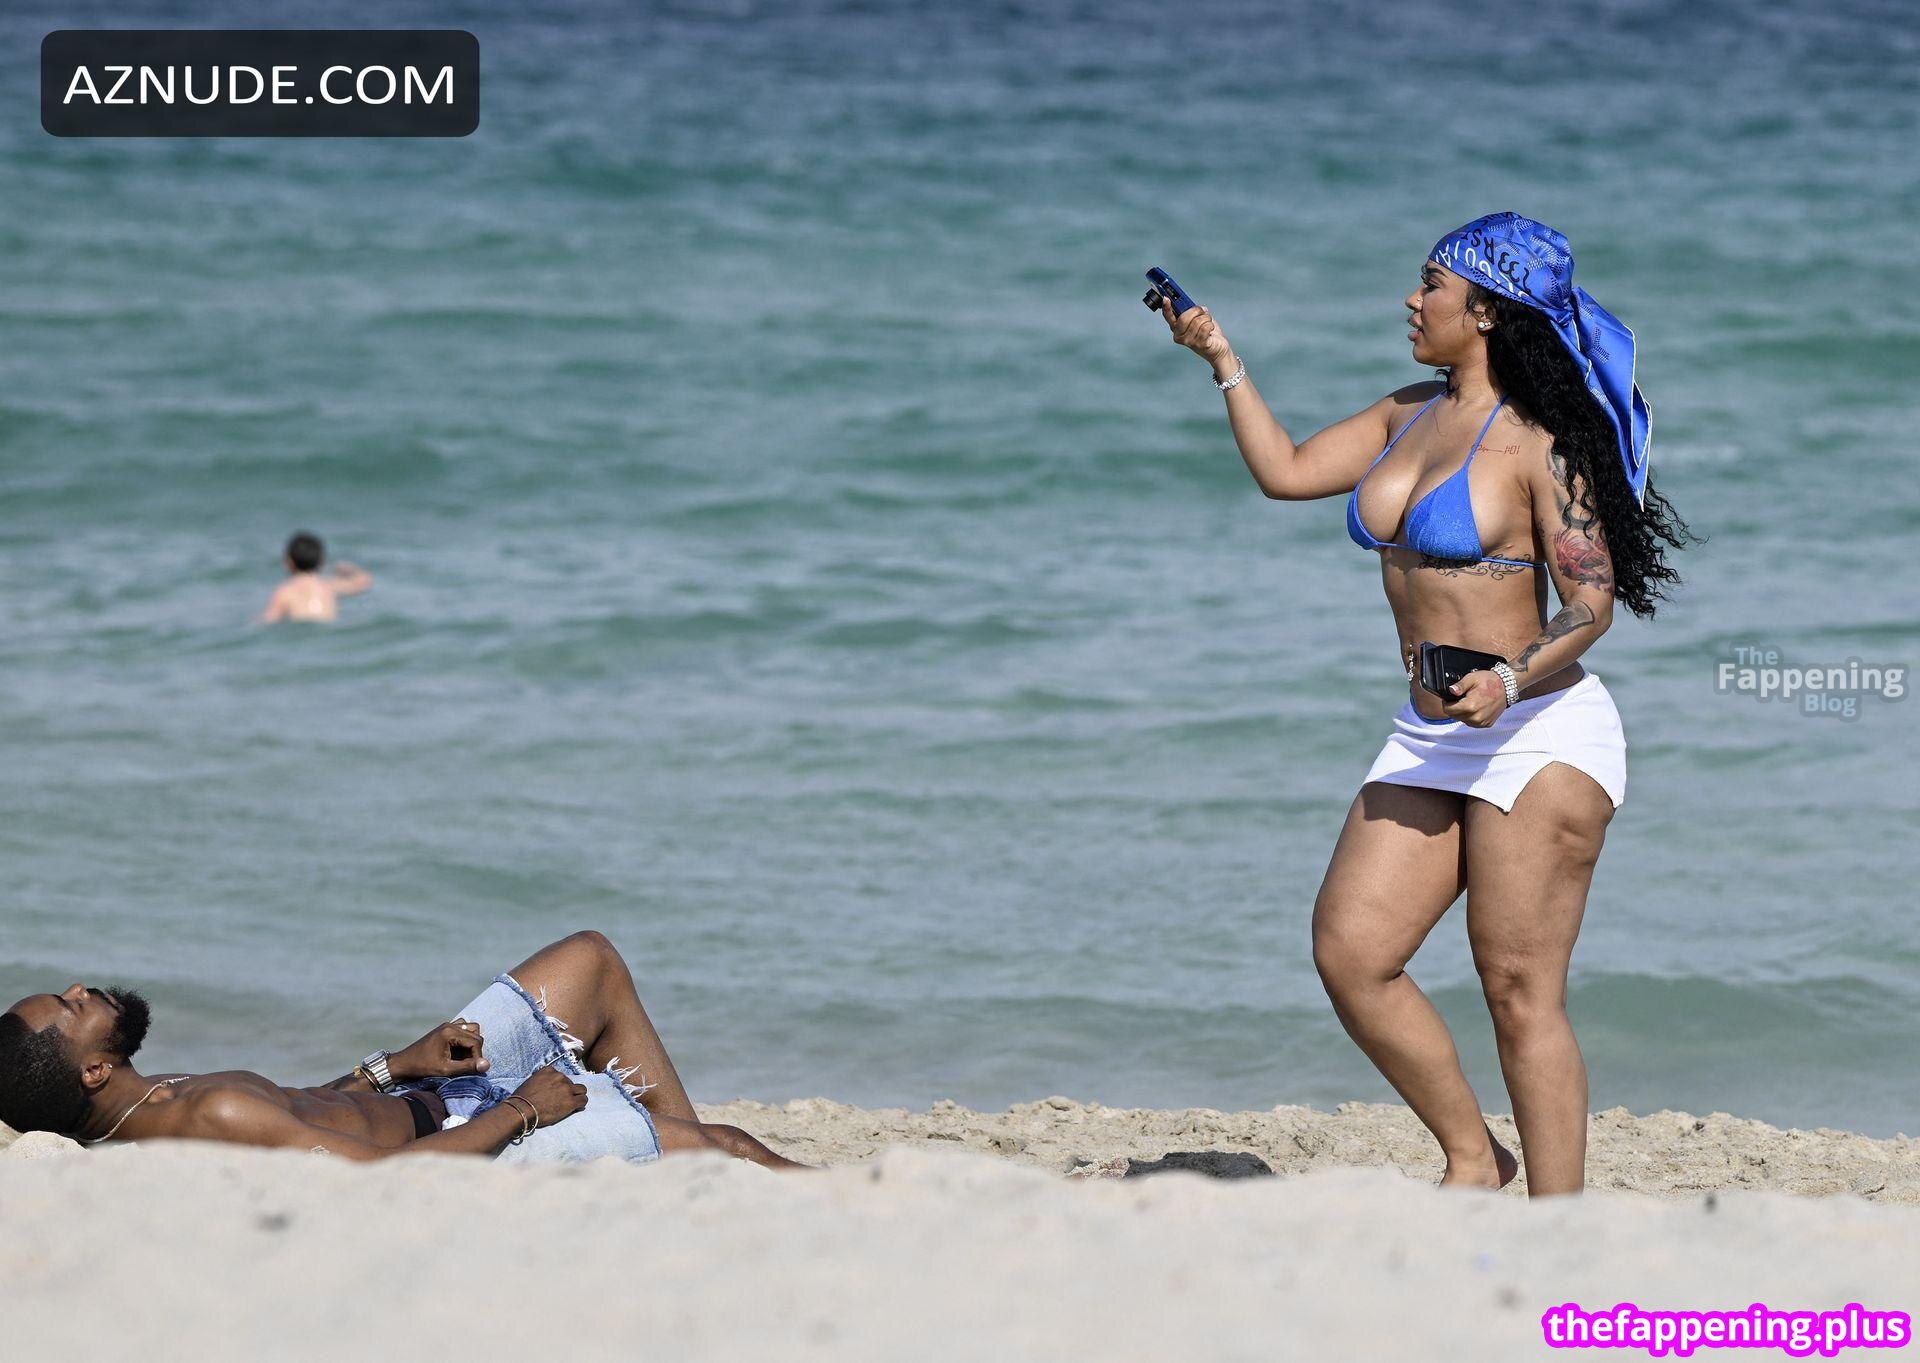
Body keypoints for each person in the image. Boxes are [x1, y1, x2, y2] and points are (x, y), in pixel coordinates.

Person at [1158, 212, 1695, 1195]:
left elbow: (1590, 601)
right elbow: (1285, 472)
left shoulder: (1539, 445)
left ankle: (1561, 1223)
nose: (1413, 301)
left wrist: (1510, 677)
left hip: (1538, 730)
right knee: (1351, 951)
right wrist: (1221, 358)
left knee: (1518, 986)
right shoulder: (1403, 414)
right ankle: (1474, 1157)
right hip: (1430, 732)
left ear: (1486, 311)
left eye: (1432, 286)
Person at [0, 930, 804, 1170]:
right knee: (735, 1147)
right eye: (69, 1009)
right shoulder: (205, 1113)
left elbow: (299, 1115)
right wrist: (525, 1110)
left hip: (430, 1093)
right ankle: (691, 1158)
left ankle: (672, 1156)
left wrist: (396, 1064)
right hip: (471, 1139)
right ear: (93, 1069)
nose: (78, 988)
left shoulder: (155, 1103)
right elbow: (387, 1181)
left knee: (589, 962)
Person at [258, 530, 373, 623]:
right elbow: (365, 581)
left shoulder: (285, 591)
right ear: (321, 561)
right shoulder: (329, 586)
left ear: (289, 562)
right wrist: (349, 569)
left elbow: (268, 620)